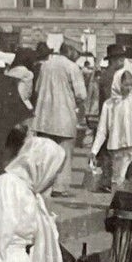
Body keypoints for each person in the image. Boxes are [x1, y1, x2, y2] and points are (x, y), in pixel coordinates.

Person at [26, 41, 88, 195]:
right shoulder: (72, 67)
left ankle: (43, 184)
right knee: (64, 153)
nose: (78, 57)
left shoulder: (46, 65)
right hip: (64, 116)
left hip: (44, 117)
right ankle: (60, 187)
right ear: (71, 51)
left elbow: (37, 88)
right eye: (77, 53)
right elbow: (81, 94)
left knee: (45, 153)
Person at [90, 71, 132, 189]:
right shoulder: (109, 104)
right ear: (117, 84)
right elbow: (102, 130)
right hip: (116, 149)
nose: (128, 88)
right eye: (125, 85)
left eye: (130, 85)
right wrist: (94, 150)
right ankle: (117, 205)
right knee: (117, 180)